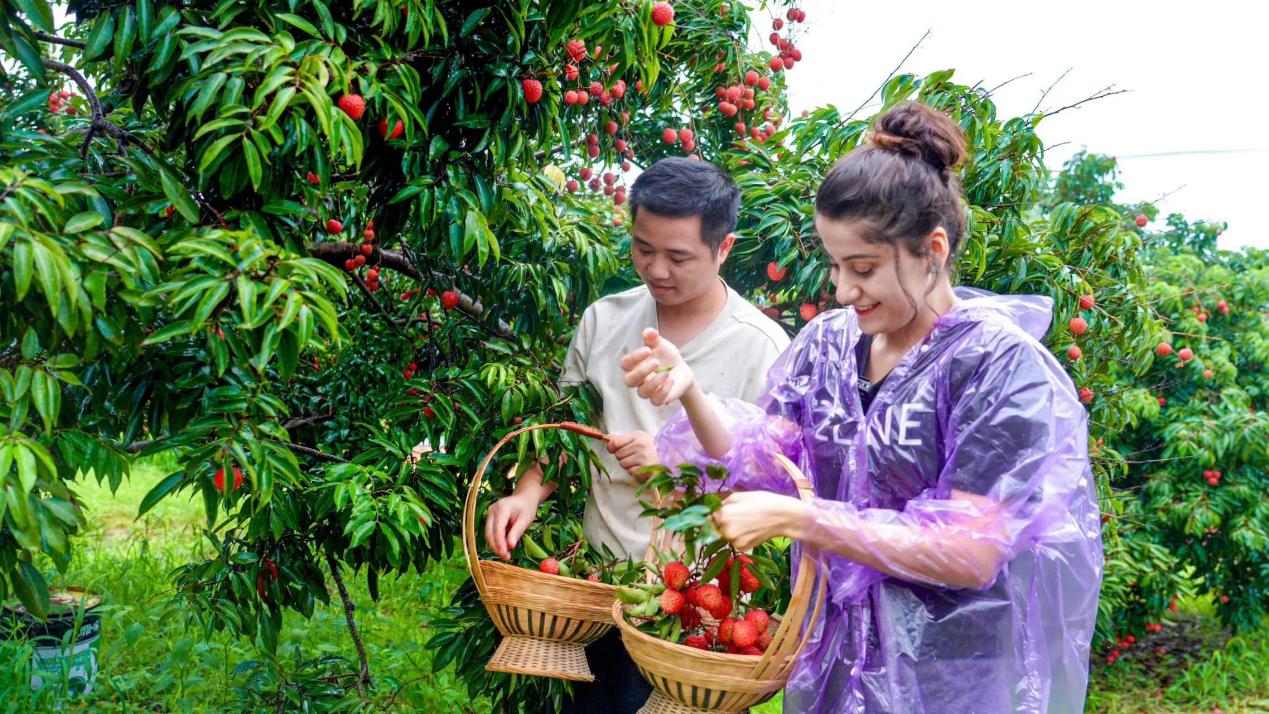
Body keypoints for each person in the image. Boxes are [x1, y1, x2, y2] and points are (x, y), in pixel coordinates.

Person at [620, 102, 1103, 713]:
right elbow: (761, 463)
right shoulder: (828, 343)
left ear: (931, 251)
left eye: (864, 268)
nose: (844, 289)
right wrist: (690, 390)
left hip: (952, 677)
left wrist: (804, 520)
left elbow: (970, 550)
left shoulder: (999, 366)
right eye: (835, 264)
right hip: (835, 659)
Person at [483, 157, 791, 713]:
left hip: (691, 617)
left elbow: (771, 494)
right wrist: (526, 494)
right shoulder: (604, 320)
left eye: (678, 256)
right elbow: (569, 437)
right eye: (643, 248)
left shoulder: (763, 349)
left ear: (724, 249)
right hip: (591, 591)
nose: (656, 269)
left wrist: (672, 469)